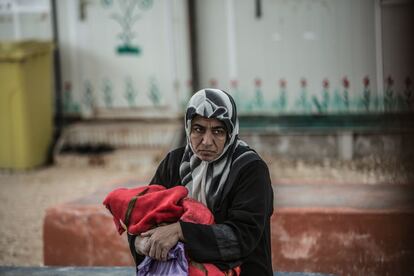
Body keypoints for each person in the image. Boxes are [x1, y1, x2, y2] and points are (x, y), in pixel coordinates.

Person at [128, 88, 274, 275]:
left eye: (218, 131)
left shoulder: (250, 170)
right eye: (198, 129)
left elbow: (242, 237)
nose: (206, 141)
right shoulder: (174, 163)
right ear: (188, 127)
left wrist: (181, 231)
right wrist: (141, 243)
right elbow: (142, 215)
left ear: (231, 132)